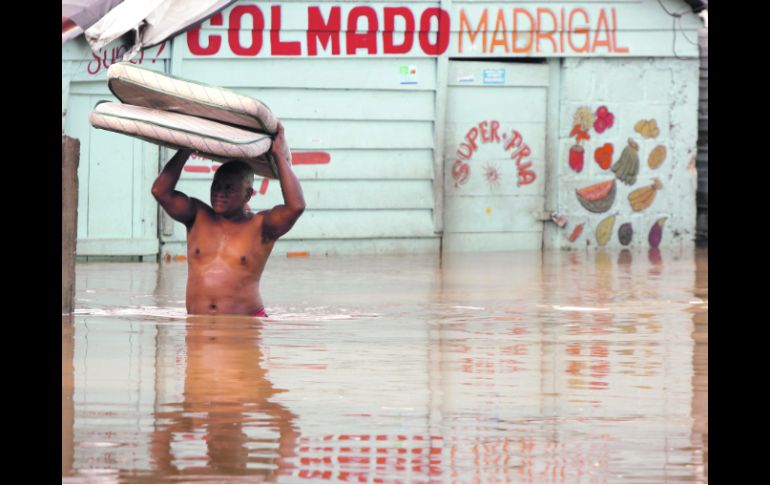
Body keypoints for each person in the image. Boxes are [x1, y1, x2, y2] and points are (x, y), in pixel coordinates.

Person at [151, 122, 304, 317]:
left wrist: (279, 156)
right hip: (199, 327)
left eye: (229, 188)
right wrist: (186, 148)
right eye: (216, 186)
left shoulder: (261, 226)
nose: (219, 194)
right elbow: (160, 191)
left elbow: (296, 206)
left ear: (248, 195)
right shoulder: (196, 215)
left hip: (245, 325)